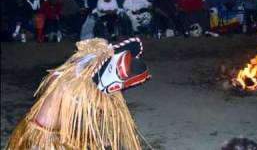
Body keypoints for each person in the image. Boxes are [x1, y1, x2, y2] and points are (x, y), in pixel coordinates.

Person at [6, 37, 151, 150]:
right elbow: (94, 113)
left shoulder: (69, 75)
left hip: (51, 132)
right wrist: (98, 138)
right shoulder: (75, 86)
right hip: (42, 137)